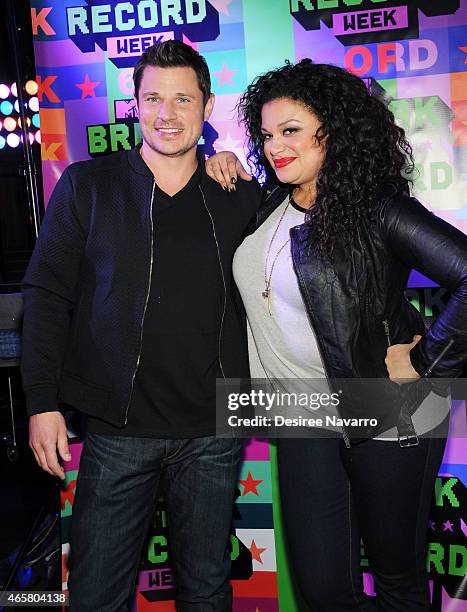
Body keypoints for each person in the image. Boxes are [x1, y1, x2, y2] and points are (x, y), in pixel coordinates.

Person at [206, 60, 467, 610]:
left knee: (398, 583)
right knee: (322, 589)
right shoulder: (268, 204)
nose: (275, 146)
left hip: (388, 412)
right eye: (268, 134)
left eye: (292, 131)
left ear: (335, 130)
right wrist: (223, 160)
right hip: (303, 418)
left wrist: (426, 364)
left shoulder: (378, 208)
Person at [21, 40, 261, 612]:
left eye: (183, 99)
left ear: (206, 108)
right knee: (97, 594)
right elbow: (47, 296)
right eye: (153, 97)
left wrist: (227, 158)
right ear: (133, 104)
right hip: (117, 428)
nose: (167, 113)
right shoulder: (87, 186)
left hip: (214, 430)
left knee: (206, 590)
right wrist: (41, 403)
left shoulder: (239, 196)